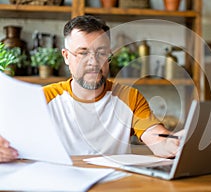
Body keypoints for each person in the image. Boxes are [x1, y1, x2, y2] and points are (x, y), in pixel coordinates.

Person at [0, 15, 182, 163]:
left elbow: (157, 138)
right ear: (66, 56)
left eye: (101, 53)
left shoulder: (129, 97)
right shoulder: (43, 98)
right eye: (83, 52)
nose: (93, 62)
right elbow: (10, 140)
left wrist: (174, 142)